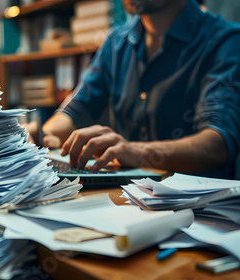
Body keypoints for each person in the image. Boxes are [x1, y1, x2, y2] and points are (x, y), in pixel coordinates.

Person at [35, 0, 240, 179]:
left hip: (201, 212)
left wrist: (135, 152)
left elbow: (217, 144)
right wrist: (45, 134)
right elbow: (76, 109)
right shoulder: (116, 43)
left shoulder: (226, 41)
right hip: (128, 202)